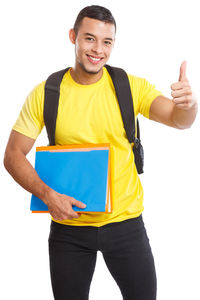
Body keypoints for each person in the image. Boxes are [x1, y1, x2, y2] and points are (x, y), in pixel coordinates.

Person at [3, 5, 198, 300]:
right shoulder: (47, 92)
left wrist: (188, 107)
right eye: (89, 39)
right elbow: (13, 155)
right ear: (73, 37)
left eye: (107, 42)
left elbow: (177, 120)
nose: (98, 50)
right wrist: (47, 195)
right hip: (68, 226)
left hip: (126, 224)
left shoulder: (129, 86)